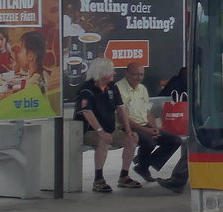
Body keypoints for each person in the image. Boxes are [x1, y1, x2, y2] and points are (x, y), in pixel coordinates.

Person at [74, 57, 140, 193]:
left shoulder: (112, 87)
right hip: (90, 131)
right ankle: (98, 179)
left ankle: (124, 176)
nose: (114, 73)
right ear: (102, 72)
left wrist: (128, 130)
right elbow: (87, 112)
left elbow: (121, 108)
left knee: (132, 140)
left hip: (110, 129)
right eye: (111, 71)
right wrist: (100, 131)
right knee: (102, 142)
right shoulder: (87, 90)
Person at [118, 62, 181, 184]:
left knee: (175, 140)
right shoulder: (119, 89)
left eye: (141, 75)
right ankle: (143, 164)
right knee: (150, 142)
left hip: (145, 125)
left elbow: (147, 112)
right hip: (129, 126)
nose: (138, 77)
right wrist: (146, 130)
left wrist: (154, 127)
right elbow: (123, 118)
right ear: (126, 73)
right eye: (135, 74)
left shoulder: (142, 89)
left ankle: (143, 164)